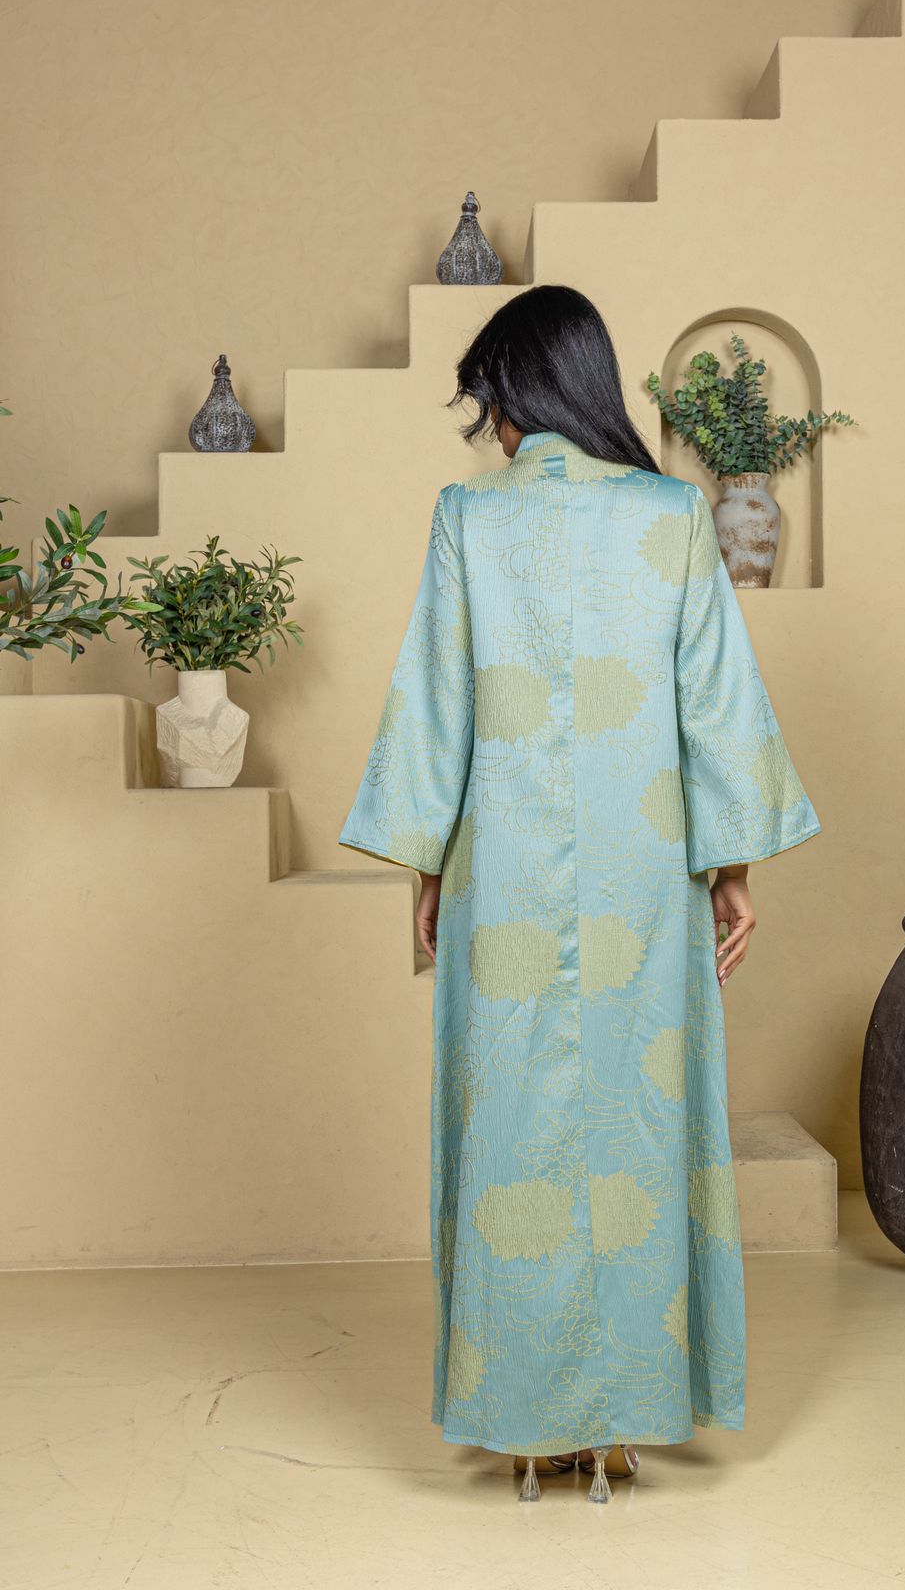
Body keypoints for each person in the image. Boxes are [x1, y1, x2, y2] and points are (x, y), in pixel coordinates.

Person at [338, 284, 821, 1503]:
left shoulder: (468, 519)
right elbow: (714, 700)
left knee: (506, 1122)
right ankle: (624, 1414)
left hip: (498, 876)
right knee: (637, 1120)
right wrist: (732, 866)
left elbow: (435, 703)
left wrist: (425, 865)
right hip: (643, 874)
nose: (488, 430)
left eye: (487, 404)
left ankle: (524, 1420)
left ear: (516, 395)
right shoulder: (671, 516)